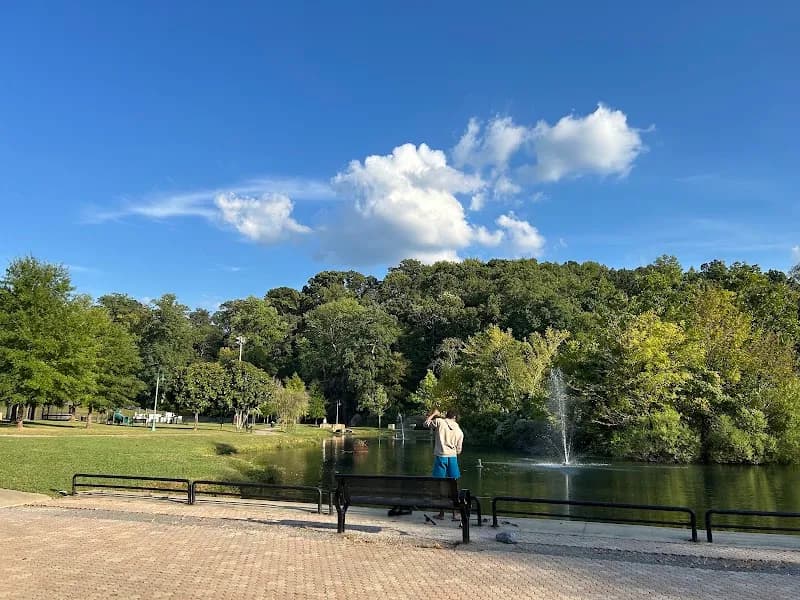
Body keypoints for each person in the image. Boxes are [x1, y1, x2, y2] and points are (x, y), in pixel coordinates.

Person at [424, 408, 464, 519]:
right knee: (454, 486)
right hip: (452, 458)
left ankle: (441, 513)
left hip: (441, 457)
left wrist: (433, 414)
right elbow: (459, 450)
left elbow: (425, 424)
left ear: (447, 415)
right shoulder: (459, 430)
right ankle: (455, 513)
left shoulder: (440, 422)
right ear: (455, 417)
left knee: (440, 485)